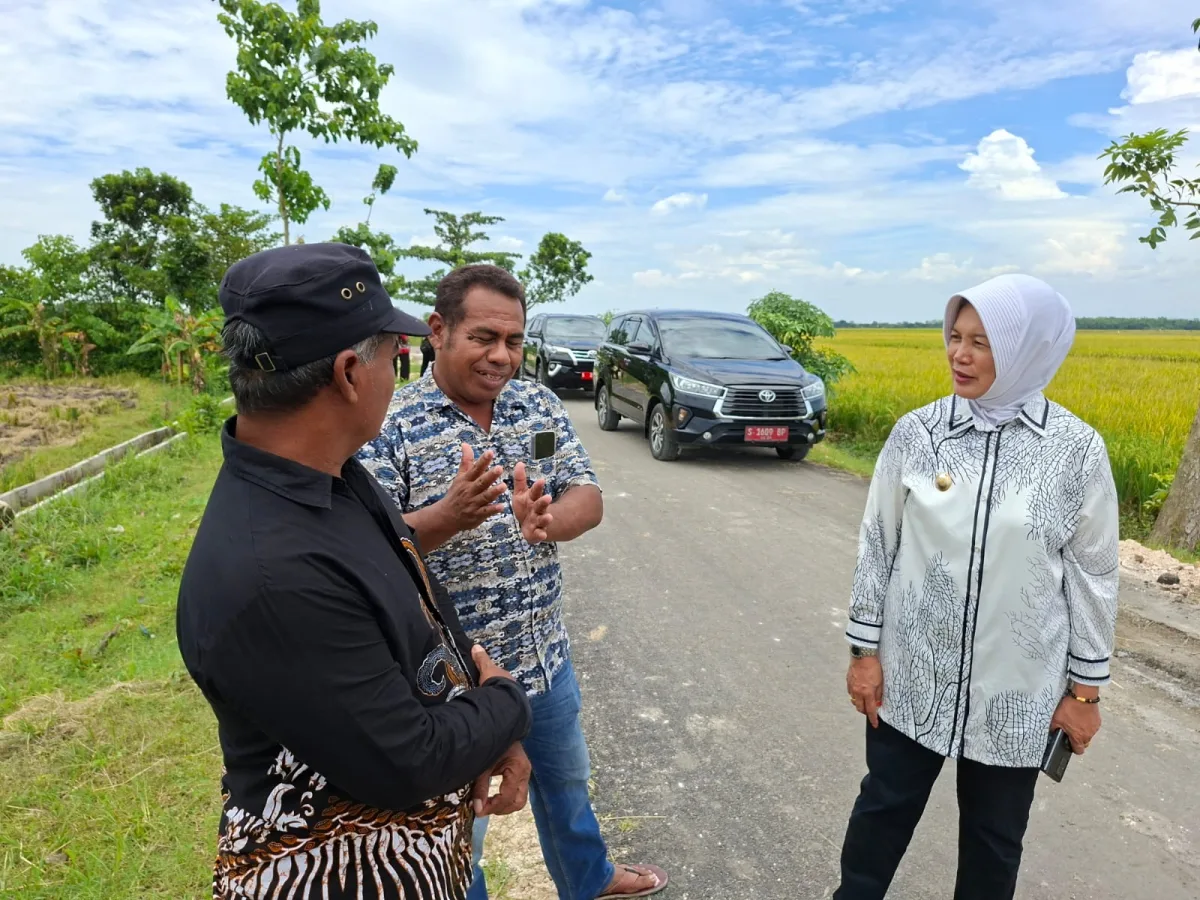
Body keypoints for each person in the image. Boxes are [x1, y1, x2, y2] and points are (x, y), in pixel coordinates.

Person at [176, 243, 534, 900]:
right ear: (348, 373)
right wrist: (506, 704)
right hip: (337, 874)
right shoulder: (274, 575)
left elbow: (415, 584)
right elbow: (410, 760)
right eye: (393, 358)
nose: (397, 377)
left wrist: (487, 725)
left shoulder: (335, 478)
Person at [358, 264, 668, 900]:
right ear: (438, 330)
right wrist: (447, 517)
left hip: (544, 658)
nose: (502, 356)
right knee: (457, 825)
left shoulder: (538, 405)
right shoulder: (391, 421)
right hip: (452, 680)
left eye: (514, 340)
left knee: (568, 786)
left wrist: (550, 520)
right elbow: (367, 547)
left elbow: (587, 493)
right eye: (483, 338)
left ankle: (589, 879)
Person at [834, 273, 1120, 900]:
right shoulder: (919, 433)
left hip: (1016, 694)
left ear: (1026, 349)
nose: (959, 355)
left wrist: (1085, 693)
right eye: (955, 337)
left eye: (982, 342)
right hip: (913, 674)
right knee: (881, 813)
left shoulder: (1075, 451)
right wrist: (863, 652)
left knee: (994, 842)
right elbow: (877, 545)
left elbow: (1094, 577)